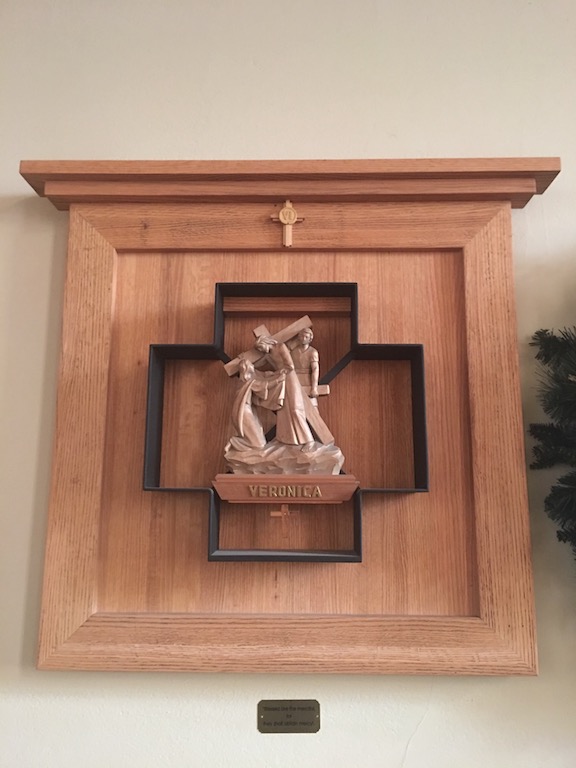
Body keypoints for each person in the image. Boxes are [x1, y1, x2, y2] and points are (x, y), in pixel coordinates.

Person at [254, 335, 315, 447]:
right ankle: (285, 440)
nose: (261, 350)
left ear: (266, 342)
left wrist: (278, 373)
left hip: (290, 378)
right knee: (283, 412)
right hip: (281, 380)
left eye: (261, 347)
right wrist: (245, 363)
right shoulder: (268, 355)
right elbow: (258, 364)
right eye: (259, 349)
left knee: (296, 409)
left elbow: (290, 365)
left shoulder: (280, 347)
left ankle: (309, 441)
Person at [290, 327, 319, 401]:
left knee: (310, 403)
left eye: (306, 337)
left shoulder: (313, 352)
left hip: (307, 380)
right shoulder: (293, 352)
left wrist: (314, 388)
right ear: (299, 337)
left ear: (310, 339)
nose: (304, 338)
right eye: (302, 336)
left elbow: (315, 370)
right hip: (295, 379)